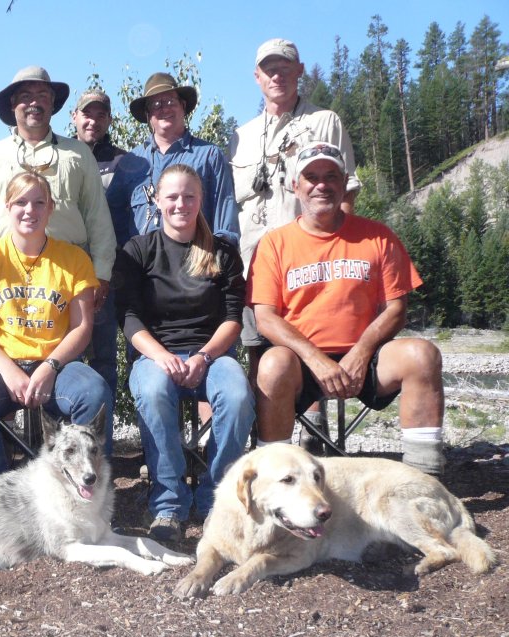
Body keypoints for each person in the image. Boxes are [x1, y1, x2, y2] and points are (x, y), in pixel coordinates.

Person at [248, 142, 445, 476]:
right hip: (302, 365)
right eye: (311, 177)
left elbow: (396, 308)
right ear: (296, 186)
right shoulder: (274, 243)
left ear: (344, 183)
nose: (321, 185)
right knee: (272, 364)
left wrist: (361, 352)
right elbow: (265, 316)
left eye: (331, 176)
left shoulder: (378, 237)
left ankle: (425, 481)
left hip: (366, 360)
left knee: (422, 355)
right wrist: (315, 359)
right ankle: (273, 480)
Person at [0, 66, 117, 397]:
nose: (34, 103)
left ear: (53, 103)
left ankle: (89, 448)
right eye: (25, 96)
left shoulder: (77, 153)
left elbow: (98, 217)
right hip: (0, 280)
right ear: (13, 104)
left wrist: (100, 272)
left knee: (93, 374)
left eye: (42, 95)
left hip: (67, 279)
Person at [230, 38, 361, 449]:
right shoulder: (240, 136)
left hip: (310, 262)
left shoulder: (325, 121)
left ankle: (313, 435)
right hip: (253, 261)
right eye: (269, 68)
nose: (277, 75)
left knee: (312, 341)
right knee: (258, 349)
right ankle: (267, 438)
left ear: (300, 71)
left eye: (285, 67)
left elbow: (347, 193)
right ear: (256, 77)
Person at [114, 164, 254, 544]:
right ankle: (169, 502)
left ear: (200, 200)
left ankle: (218, 498)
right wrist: (161, 356)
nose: (180, 204)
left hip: (212, 355)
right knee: (154, 390)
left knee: (238, 395)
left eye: (189, 196)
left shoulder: (222, 252)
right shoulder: (138, 250)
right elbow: (127, 317)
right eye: (172, 196)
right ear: (157, 202)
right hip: (156, 355)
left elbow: (232, 318)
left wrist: (204, 357)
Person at [0, 171, 113, 477]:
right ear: (7, 207)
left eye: (39, 202)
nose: (30, 210)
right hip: (0, 365)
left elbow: (82, 327)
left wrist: (50, 367)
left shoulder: (75, 258)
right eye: (21, 202)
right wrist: (8, 370)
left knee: (94, 392)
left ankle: (80, 485)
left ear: (51, 208)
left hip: (59, 365)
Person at [107, 72, 239, 247]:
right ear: (147, 114)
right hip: (141, 269)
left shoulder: (209, 156)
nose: (164, 108)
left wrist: (219, 258)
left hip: (196, 264)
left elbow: (225, 217)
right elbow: (111, 220)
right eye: (156, 104)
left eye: (170, 101)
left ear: (183, 106)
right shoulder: (130, 162)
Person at [70, 87, 127, 401]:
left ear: (108, 119)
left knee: (104, 356)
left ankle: (101, 437)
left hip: (105, 272)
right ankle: (66, 440)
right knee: (67, 355)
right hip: (64, 273)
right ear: (74, 116)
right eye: (87, 113)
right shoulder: (61, 156)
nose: (93, 120)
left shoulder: (123, 162)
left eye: (101, 114)